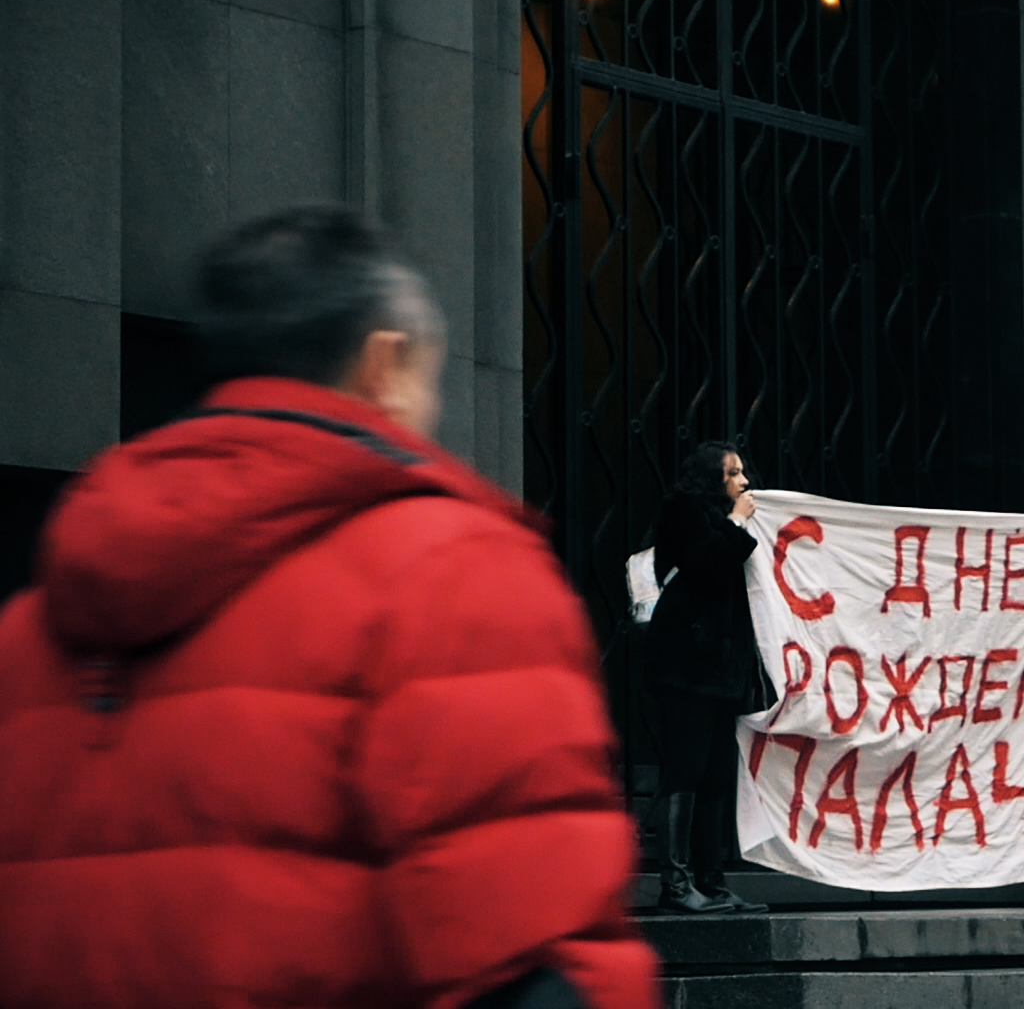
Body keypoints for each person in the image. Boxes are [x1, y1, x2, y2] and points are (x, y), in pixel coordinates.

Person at [0, 207, 658, 1007]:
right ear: (384, 363)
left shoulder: (32, 627)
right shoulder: (449, 571)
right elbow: (533, 956)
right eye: (430, 375)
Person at [642, 442, 775, 913]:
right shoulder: (684, 512)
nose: (743, 481)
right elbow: (705, 569)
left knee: (717, 775)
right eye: (732, 473)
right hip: (687, 668)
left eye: (742, 472)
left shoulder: (732, 518)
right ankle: (677, 885)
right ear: (711, 477)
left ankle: (711, 882)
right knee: (686, 770)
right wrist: (735, 522)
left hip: (722, 673)